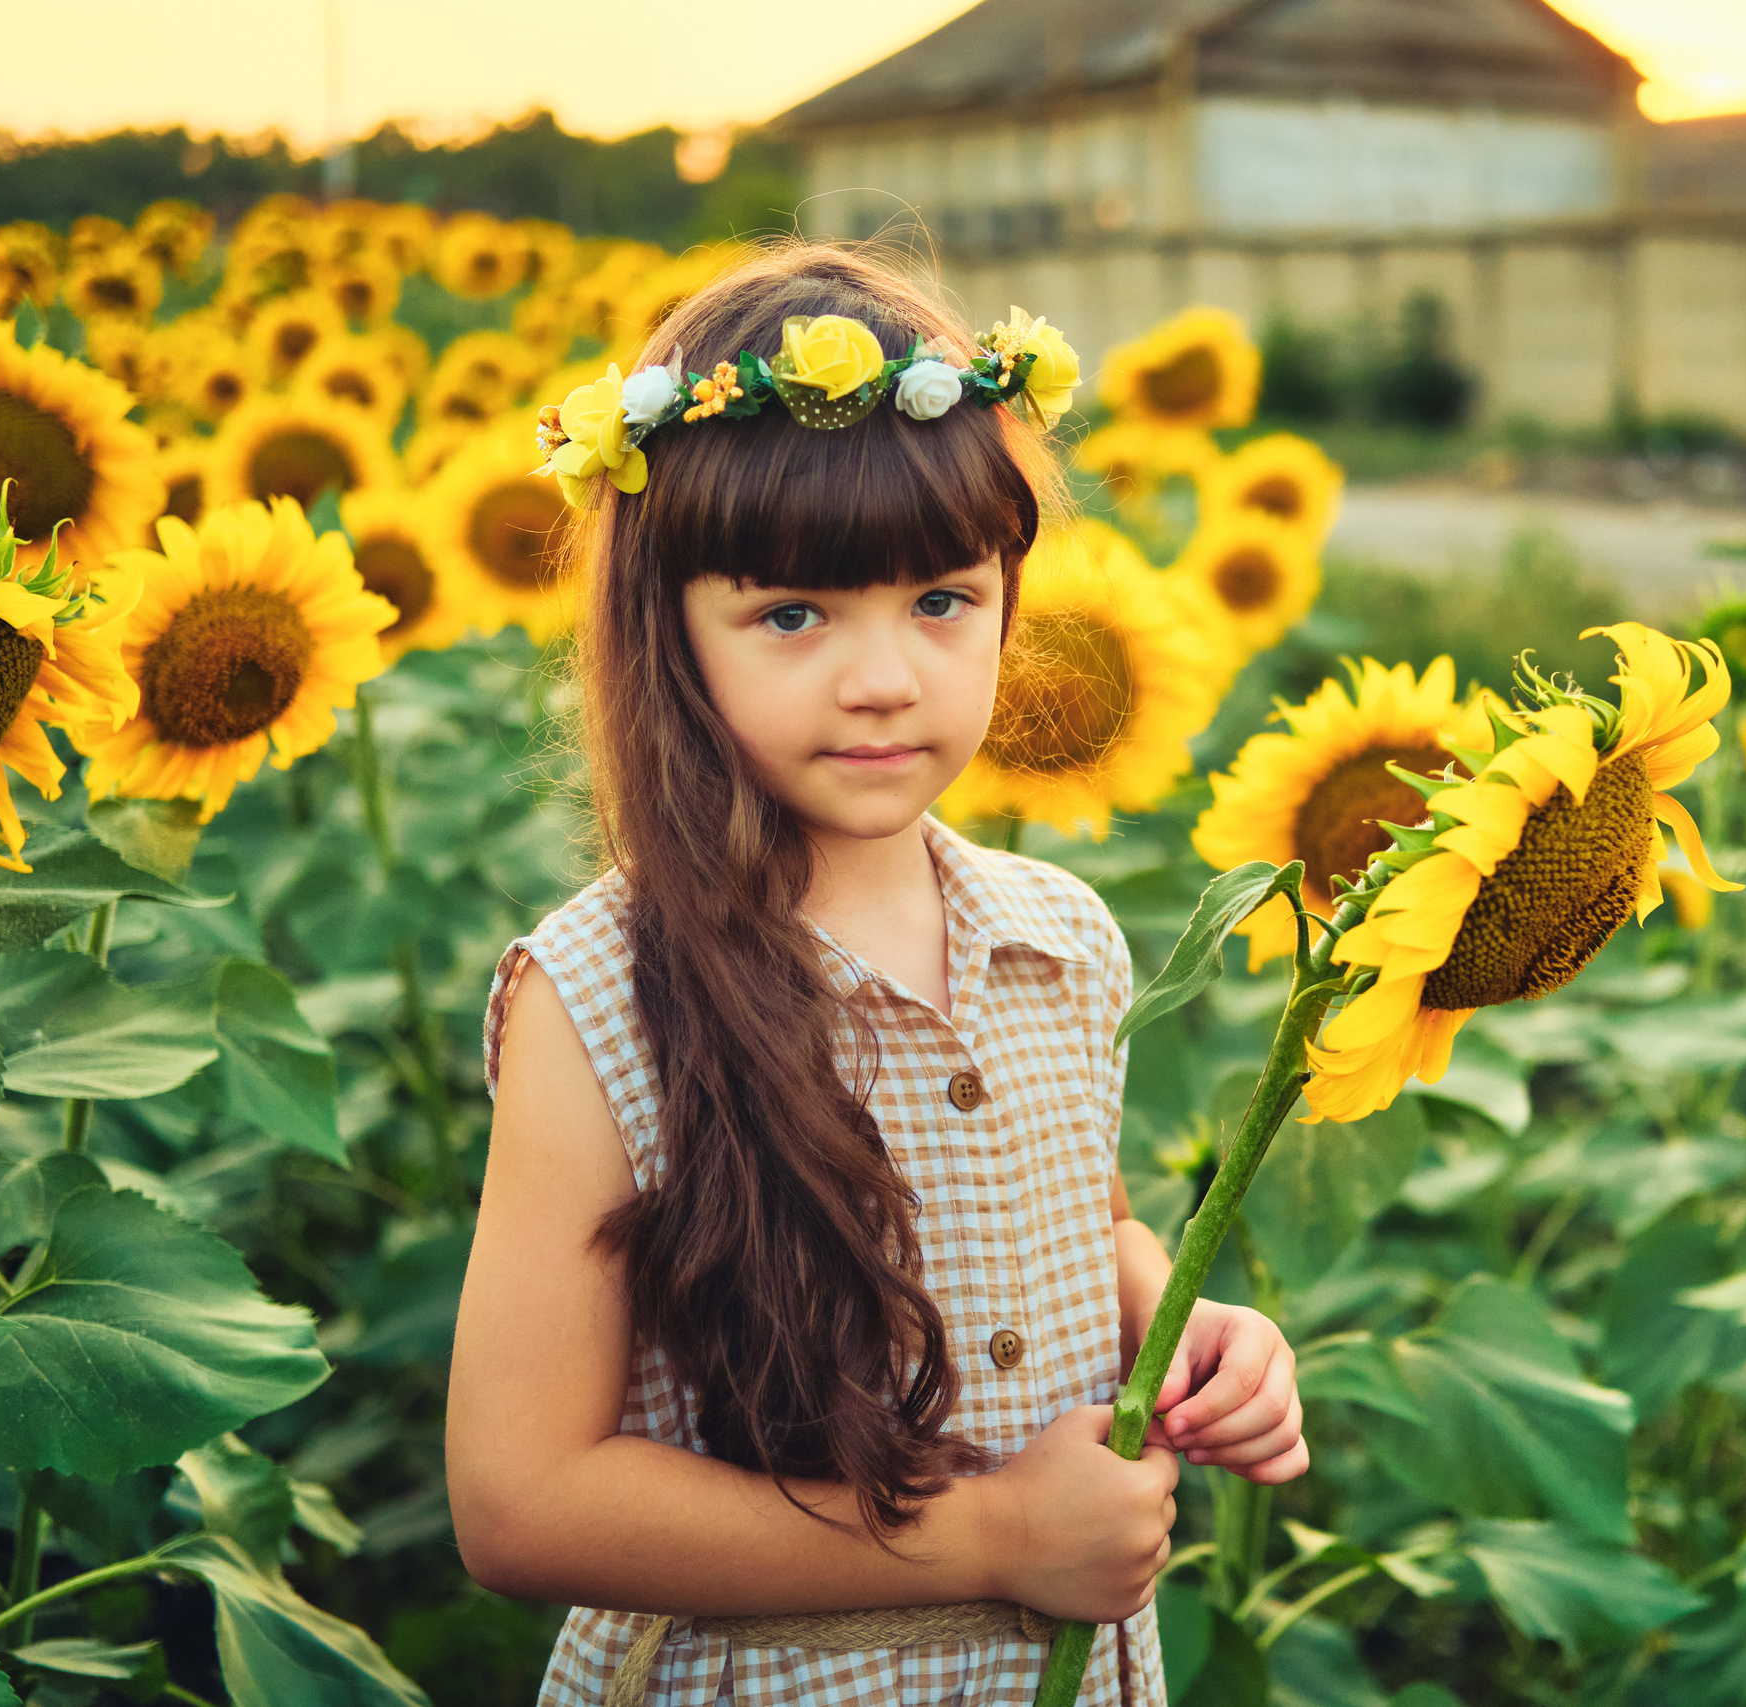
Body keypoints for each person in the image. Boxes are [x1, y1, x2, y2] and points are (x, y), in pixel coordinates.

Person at [444, 244, 1307, 1707]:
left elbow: (1056, 1228)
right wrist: (990, 1533)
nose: (884, 678)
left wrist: (1179, 1326)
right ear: (672, 635)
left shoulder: (1064, 938)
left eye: (941, 602)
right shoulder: (598, 996)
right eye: (793, 615)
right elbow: (522, 1503)